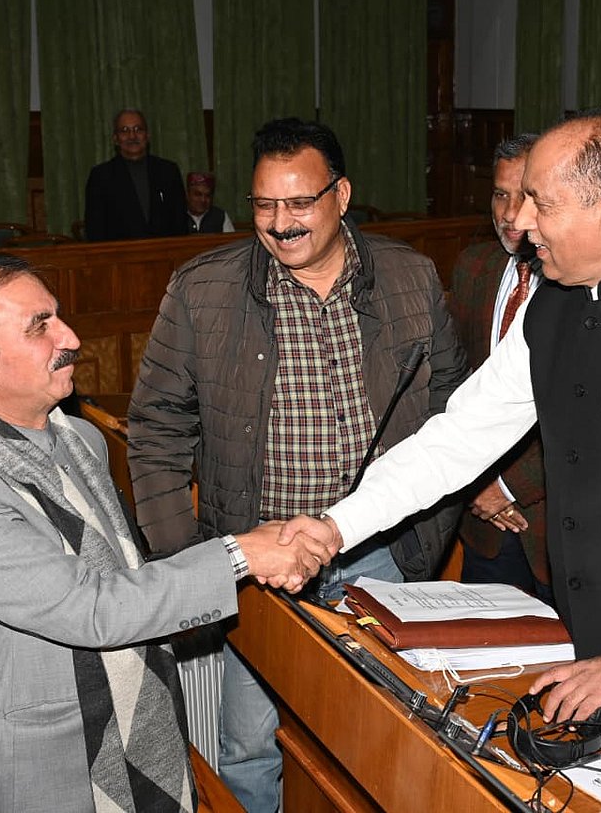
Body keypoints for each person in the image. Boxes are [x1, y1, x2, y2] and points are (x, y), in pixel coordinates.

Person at [284, 110, 601, 752]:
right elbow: (460, 436)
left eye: (540, 204)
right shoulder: (553, 299)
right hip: (587, 653)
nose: (518, 223)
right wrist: (336, 526)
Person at [0, 253, 332, 813]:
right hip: (45, 769)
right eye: (40, 326)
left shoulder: (80, 439)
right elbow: (92, 609)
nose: (72, 337)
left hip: (142, 731)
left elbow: (125, 575)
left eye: (58, 316)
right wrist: (239, 555)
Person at [126, 117, 468, 811]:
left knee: (383, 740)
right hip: (259, 566)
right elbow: (155, 431)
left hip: (384, 556)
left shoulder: (409, 277)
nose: (280, 224)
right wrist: (193, 565)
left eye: (299, 203)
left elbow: (453, 412)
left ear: (341, 196)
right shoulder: (203, 290)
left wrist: (425, 542)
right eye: (263, 205)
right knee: (248, 741)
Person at [447, 133, 552, 604]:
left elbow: (589, 416)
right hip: (481, 521)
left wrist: (509, 486)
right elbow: (451, 385)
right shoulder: (473, 267)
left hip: (553, 520)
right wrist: (476, 484)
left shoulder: (577, 280)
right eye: (500, 194)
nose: (510, 214)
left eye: (526, 196)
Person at [84, 108, 189, 241]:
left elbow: (180, 224)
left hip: (165, 256)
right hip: (119, 258)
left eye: (138, 129)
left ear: (147, 136)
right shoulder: (101, 176)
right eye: (125, 130)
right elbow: (95, 231)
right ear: (115, 139)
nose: (132, 136)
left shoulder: (168, 171)